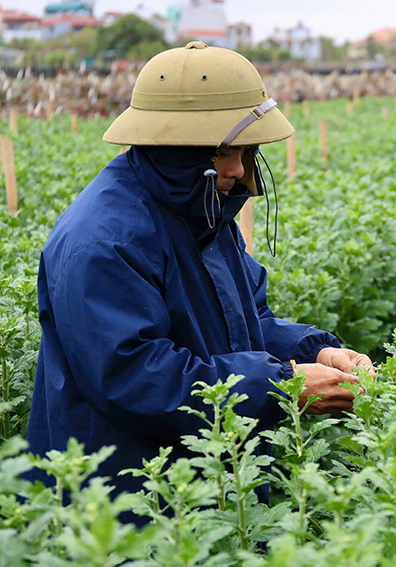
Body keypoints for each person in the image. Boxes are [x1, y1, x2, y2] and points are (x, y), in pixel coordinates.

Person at [25, 42, 372, 509]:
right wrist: (282, 385)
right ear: (170, 145)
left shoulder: (203, 213)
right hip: (127, 499)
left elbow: (246, 323)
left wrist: (315, 351)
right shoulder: (104, 240)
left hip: (208, 478)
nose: (236, 168)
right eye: (220, 151)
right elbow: (135, 376)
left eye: (246, 150)